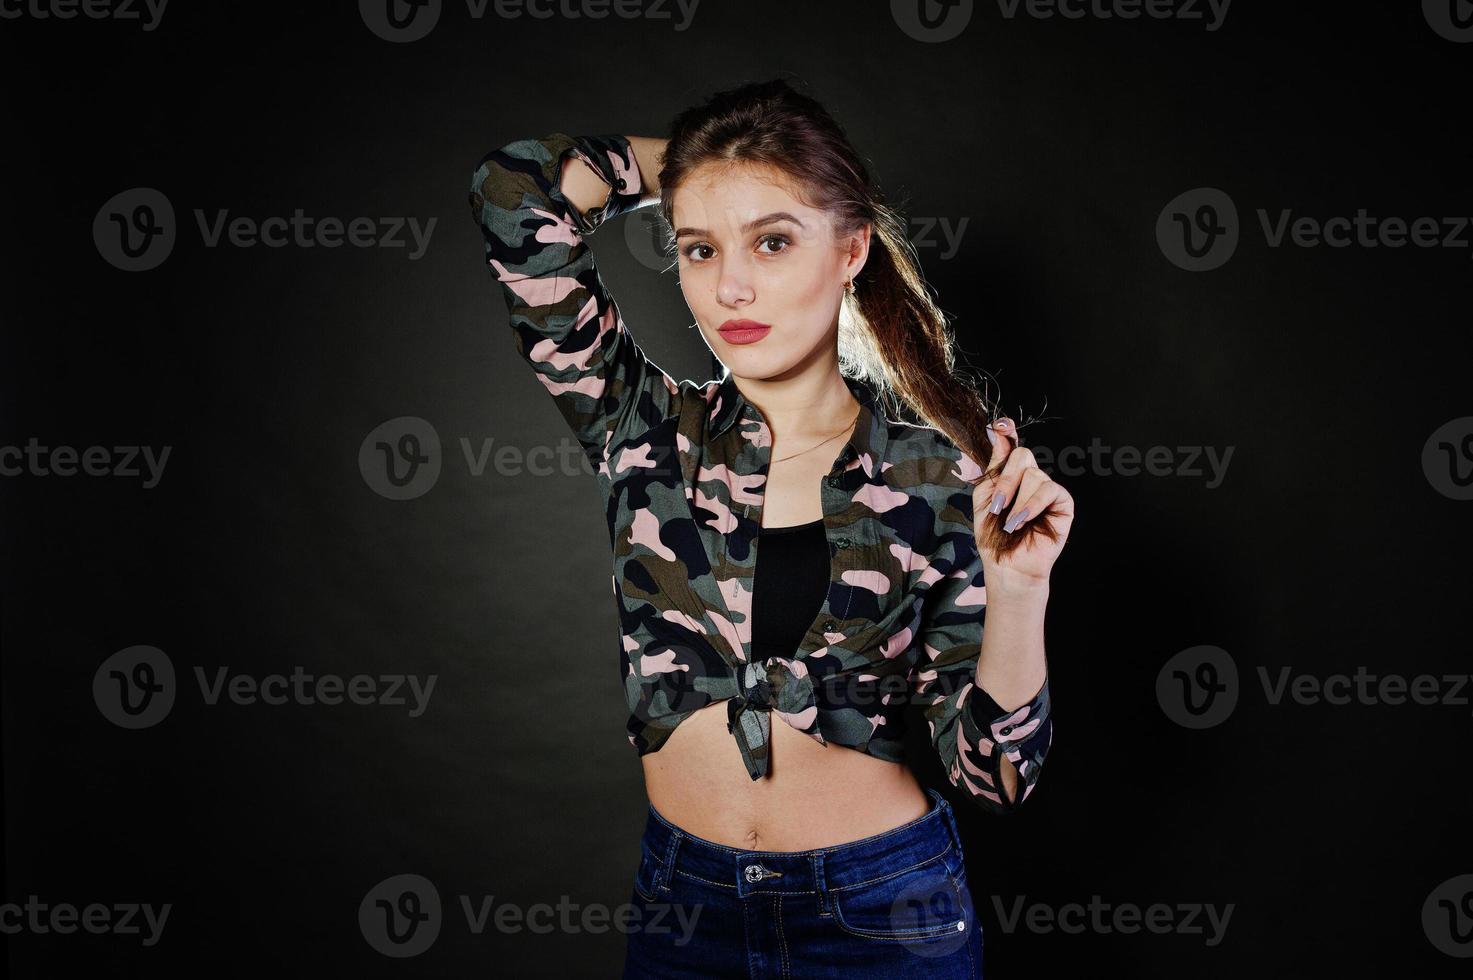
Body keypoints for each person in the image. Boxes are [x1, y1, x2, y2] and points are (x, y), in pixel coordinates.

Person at [467, 77, 1074, 978]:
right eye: (701, 248)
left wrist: (1021, 590)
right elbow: (512, 188)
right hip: (685, 906)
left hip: (881, 913)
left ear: (851, 249)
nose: (732, 286)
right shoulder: (640, 427)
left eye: (774, 239)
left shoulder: (940, 474)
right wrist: (698, 164)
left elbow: (998, 776)